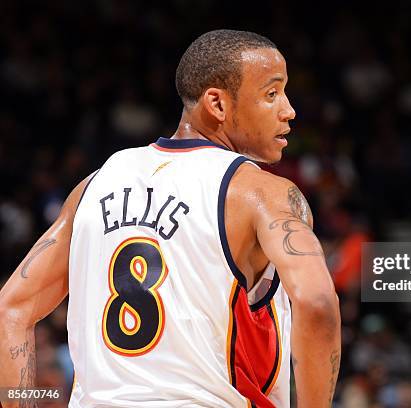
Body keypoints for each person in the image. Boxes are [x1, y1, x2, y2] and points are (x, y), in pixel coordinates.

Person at [0, 29, 341, 408]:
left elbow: (11, 310)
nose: (289, 109)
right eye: (272, 93)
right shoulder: (263, 193)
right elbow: (317, 303)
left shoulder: (95, 184)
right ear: (217, 103)